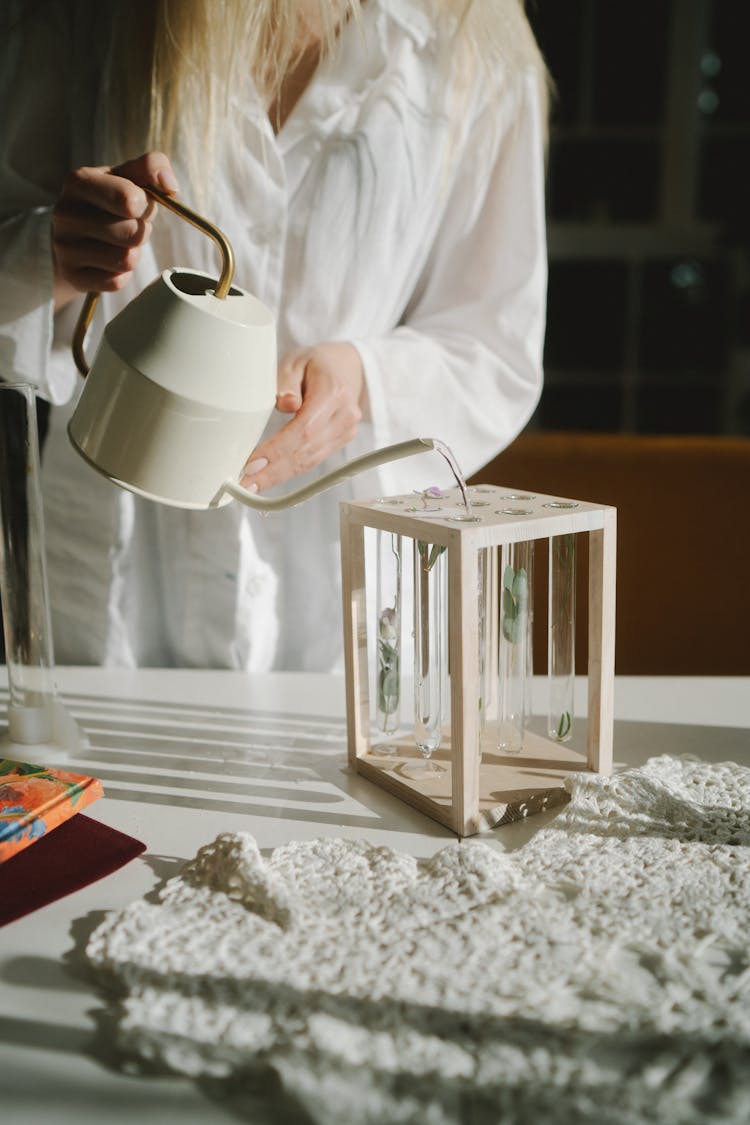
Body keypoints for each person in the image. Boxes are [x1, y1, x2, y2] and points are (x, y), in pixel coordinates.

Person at [0, 0, 549, 671]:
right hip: (119, 557)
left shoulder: (469, 39)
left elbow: (495, 340)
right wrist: (53, 255)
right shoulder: (84, 21)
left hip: (333, 591)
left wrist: (364, 376)